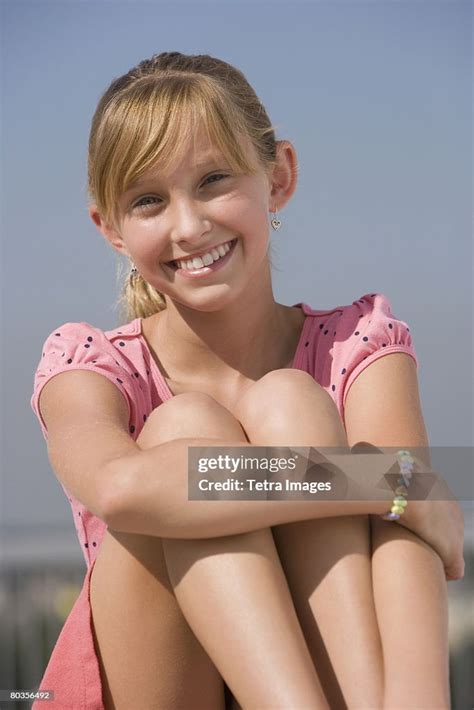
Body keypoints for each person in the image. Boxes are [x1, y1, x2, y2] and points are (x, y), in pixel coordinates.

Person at [30, 51, 464, 710]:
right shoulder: (90, 366)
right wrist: (386, 480)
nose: (188, 225)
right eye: (149, 199)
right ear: (111, 229)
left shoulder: (360, 344)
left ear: (279, 175)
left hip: (344, 685)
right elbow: (119, 488)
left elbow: (406, 545)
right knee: (186, 428)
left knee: (291, 400)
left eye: (212, 180)